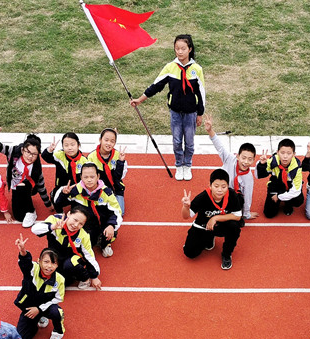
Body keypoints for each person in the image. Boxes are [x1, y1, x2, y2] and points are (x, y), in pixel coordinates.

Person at [130, 33, 205, 181]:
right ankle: (179, 165)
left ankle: (187, 165)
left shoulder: (197, 69)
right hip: (175, 112)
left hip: (191, 113)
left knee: (189, 142)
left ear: (190, 49)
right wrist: (140, 99)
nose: (180, 52)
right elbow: (156, 85)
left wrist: (200, 113)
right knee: (177, 141)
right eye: (177, 48)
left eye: (183, 48)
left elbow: (201, 93)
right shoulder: (170, 67)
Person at [0, 125, 51, 228]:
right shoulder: (13, 152)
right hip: (15, 187)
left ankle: (31, 211)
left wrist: (48, 204)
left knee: (22, 186)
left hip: (28, 188)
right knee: (18, 217)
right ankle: (24, 209)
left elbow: (41, 187)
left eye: (34, 154)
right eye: (28, 152)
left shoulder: (37, 168)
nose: (30, 156)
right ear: (23, 150)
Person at [181, 169, 242, 271]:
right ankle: (209, 238)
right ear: (210, 185)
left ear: (228, 186)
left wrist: (215, 218)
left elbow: (237, 216)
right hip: (203, 226)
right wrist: (185, 207)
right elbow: (186, 216)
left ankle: (226, 254)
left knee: (235, 227)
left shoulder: (232, 196)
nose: (220, 190)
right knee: (189, 253)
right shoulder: (202, 197)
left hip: (221, 225)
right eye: (216, 186)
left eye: (223, 187)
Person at [31, 206, 103, 290]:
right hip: (56, 256)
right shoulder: (55, 219)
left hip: (71, 258)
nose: (76, 225)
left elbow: (89, 256)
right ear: (69, 214)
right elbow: (35, 229)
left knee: (68, 269)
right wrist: (53, 227)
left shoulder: (83, 235)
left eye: (81, 224)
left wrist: (94, 276)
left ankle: (85, 278)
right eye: (75, 220)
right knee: (45, 261)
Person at [14, 235, 65, 339]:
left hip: (45, 307)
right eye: (46, 261)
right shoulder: (33, 269)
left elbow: (58, 298)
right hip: (29, 307)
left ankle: (57, 333)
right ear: (39, 261)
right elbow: (25, 263)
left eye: (53, 263)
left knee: (56, 312)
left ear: (57, 265)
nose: (49, 266)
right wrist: (23, 250)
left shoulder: (60, 279)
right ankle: (38, 318)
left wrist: (39, 309)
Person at [204, 116, 258, 220]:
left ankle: (236, 216)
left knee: (239, 199)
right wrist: (210, 130)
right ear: (237, 156)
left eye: (250, 159)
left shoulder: (249, 178)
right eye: (243, 158)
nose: (246, 162)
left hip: (233, 197)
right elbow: (219, 146)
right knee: (214, 192)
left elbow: (248, 196)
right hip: (221, 190)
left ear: (253, 160)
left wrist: (246, 214)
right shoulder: (229, 158)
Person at [70, 163, 122, 258]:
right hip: (86, 225)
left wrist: (111, 225)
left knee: (110, 232)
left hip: (102, 224)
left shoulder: (107, 192)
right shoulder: (75, 190)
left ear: (98, 176)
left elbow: (117, 212)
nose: (89, 180)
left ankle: (105, 244)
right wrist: (62, 193)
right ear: (81, 177)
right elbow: (58, 203)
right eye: (85, 177)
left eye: (92, 176)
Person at [255, 138, 303, 218]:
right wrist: (261, 165)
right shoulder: (272, 161)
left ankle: (288, 204)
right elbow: (258, 176)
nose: (285, 156)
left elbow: (296, 191)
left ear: (294, 154)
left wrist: (279, 196)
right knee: (269, 214)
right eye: (282, 153)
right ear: (277, 152)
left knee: (298, 200)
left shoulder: (297, 167)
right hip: (275, 186)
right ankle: (279, 200)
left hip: (289, 188)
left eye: (289, 153)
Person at [86, 128, 128, 213]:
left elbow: (119, 176)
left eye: (112, 141)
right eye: (106, 140)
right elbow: (87, 177)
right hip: (98, 189)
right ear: (100, 140)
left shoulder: (118, 155)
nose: (109, 143)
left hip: (115, 189)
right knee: (95, 212)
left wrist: (120, 162)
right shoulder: (91, 157)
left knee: (120, 212)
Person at [44, 133, 88, 211]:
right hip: (62, 188)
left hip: (77, 189)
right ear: (63, 147)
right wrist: (50, 150)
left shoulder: (84, 160)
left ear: (78, 145)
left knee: (78, 211)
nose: (69, 148)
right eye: (66, 145)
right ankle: (54, 195)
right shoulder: (60, 155)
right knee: (56, 202)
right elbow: (46, 157)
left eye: (72, 145)